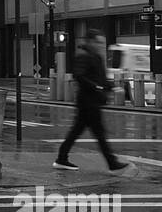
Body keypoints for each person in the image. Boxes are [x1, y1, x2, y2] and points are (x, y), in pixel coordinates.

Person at [55, 30, 129, 173]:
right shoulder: (84, 56)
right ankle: (112, 163)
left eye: (102, 42)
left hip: (91, 101)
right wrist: (97, 87)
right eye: (98, 42)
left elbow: (101, 78)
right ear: (90, 41)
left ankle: (61, 158)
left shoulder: (96, 57)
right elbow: (79, 76)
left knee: (77, 131)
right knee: (99, 134)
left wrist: (112, 87)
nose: (101, 45)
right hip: (88, 102)